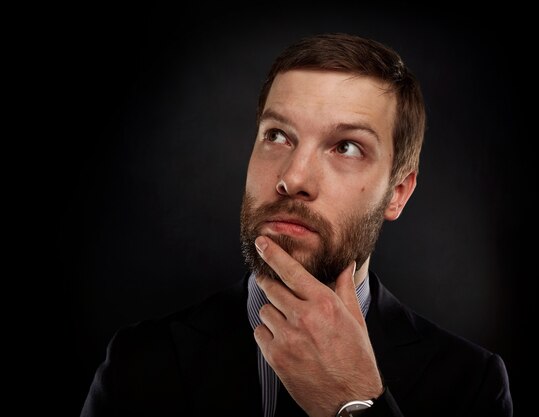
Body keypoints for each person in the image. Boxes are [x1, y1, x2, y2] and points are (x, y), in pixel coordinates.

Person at [81, 33, 513, 417]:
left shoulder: (470, 384)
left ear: (397, 193)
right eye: (277, 136)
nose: (293, 179)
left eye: (346, 147)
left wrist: (354, 403)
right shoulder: (139, 362)